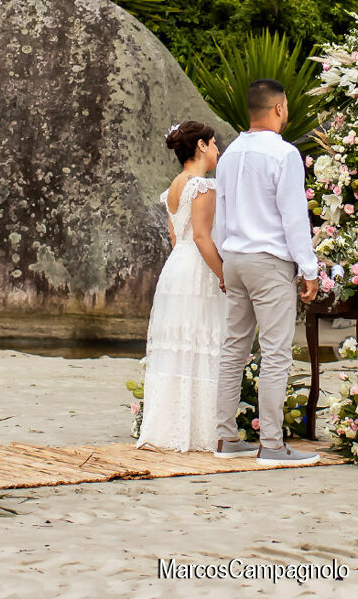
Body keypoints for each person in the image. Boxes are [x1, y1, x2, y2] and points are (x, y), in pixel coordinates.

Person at [211, 79, 321, 467]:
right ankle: (272, 444)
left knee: (234, 348)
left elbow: (221, 214)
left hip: (235, 257)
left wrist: (224, 261)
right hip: (269, 261)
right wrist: (309, 268)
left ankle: (226, 436)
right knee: (275, 352)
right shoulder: (284, 154)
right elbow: (294, 217)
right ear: (278, 109)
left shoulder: (230, 153)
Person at [136, 121, 226, 452]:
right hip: (199, 268)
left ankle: (166, 428)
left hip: (176, 268)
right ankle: (202, 432)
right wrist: (223, 275)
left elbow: (176, 237)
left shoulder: (175, 185)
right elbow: (202, 237)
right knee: (201, 341)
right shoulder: (202, 186)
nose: (217, 149)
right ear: (201, 146)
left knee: (179, 345)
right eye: (213, 143)